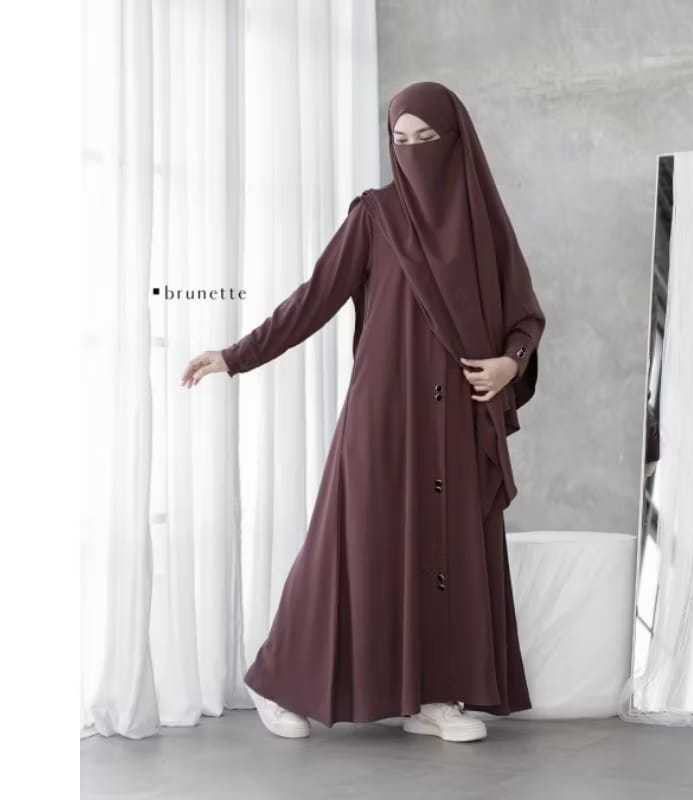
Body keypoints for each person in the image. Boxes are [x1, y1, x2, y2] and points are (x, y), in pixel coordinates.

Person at [181, 81, 546, 743]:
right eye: (400, 141)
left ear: (457, 142)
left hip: (458, 419)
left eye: (426, 139)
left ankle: (432, 697)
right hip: (385, 418)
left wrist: (509, 364)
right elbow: (313, 299)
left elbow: (525, 316)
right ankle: (273, 680)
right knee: (346, 552)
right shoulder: (376, 217)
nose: (412, 152)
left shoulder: (485, 225)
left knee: (446, 551)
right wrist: (235, 356)